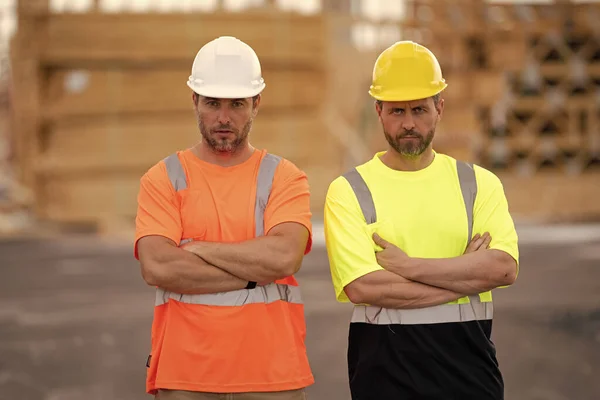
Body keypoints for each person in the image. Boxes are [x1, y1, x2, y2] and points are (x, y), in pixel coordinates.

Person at [323, 40, 520, 400]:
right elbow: (364, 288)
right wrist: (465, 274)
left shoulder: (478, 184)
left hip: (470, 378)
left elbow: (503, 269)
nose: (409, 123)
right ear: (379, 110)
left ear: (439, 107)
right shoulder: (349, 190)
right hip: (383, 382)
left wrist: (408, 265)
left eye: (419, 109)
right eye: (397, 111)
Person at [134, 36, 314, 400]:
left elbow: (282, 257)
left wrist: (197, 248)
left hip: (271, 373)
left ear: (256, 104)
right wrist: (253, 274)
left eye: (237, 104)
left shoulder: (285, 177)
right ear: (195, 101)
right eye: (212, 103)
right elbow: (158, 266)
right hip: (186, 374)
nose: (224, 118)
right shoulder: (163, 177)